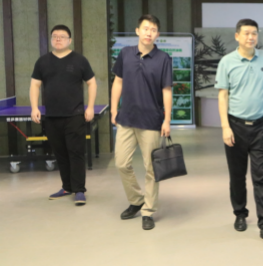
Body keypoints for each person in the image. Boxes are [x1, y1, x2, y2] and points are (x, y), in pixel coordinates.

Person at [215, 18, 263, 243]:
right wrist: (225, 127)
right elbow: (222, 96)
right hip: (236, 126)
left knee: (260, 176)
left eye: (254, 33)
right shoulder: (227, 62)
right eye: (246, 33)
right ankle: (240, 214)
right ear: (237, 36)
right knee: (237, 175)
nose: (251, 37)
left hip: (261, 126)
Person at [111, 14, 172, 231]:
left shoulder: (163, 58)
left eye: (153, 30)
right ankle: (137, 200)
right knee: (121, 163)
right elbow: (118, 82)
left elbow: (167, 90)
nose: (149, 33)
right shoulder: (125, 54)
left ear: (157, 34)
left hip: (151, 120)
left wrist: (167, 119)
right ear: (138, 31)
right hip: (127, 118)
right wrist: (114, 109)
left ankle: (148, 210)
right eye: (146, 28)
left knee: (151, 169)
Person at [30, 25, 97, 205]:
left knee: (76, 153)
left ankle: (79, 190)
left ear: (70, 40)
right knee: (60, 154)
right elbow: (35, 85)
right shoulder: (42, 61)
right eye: (55, 36)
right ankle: (67, 187)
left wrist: (90, 107)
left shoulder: (80, 60)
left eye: (62, 36)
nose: (58, 39)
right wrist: (34, 107)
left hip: (75, 115)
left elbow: (91, 83)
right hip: (52, 116)